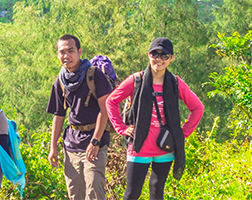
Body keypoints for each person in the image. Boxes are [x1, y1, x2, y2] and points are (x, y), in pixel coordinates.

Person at [106, 37, 204, 200]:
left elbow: (198, 108)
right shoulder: (136, 80)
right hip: (139, 148)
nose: (159, 58)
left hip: (164, 148)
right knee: (132, 194)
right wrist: (121, 128)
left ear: (171, 58)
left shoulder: (175, 83)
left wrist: (182, 133)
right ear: (148, 55)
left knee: (157, 192)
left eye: (164, 55)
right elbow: (111, 101)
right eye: (155, 54)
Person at [47, 34, 112, 200]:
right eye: (62, 52)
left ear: (79, 51)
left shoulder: (94, 75)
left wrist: (95, 141)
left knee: (95, 193)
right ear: (57, 54)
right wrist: (53, 146)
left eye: (70, 51)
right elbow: (59, 115)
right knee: (75, 194)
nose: (66, 55)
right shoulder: (61, 81)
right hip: (72, 144)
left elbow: (104, 110)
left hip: (94, 141)